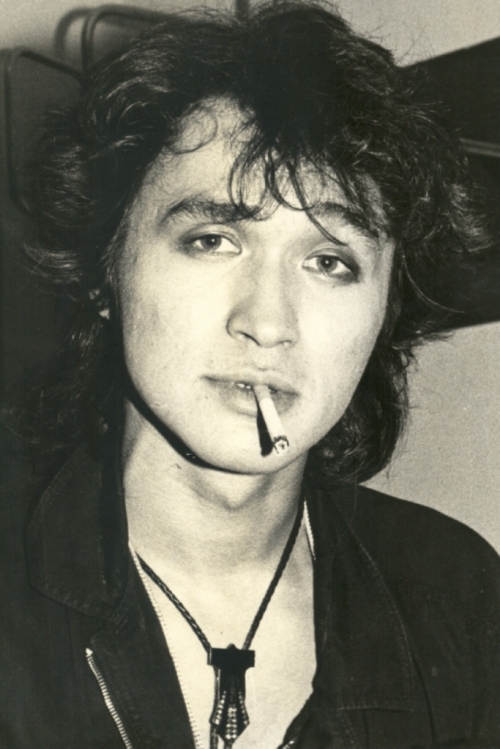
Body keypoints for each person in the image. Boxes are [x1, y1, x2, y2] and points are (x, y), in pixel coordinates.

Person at [1, 2, 499, 748]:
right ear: (106, 272)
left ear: (384, 315)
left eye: (329, 261)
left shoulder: (459, 595)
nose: (267, 322)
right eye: (212, 239)